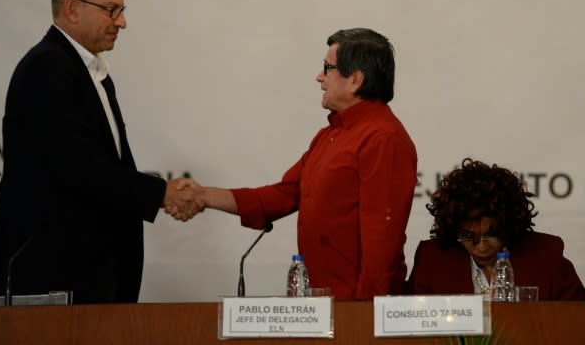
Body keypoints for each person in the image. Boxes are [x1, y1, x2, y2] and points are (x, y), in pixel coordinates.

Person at [0, 0, 203, 304]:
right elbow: (78, 168)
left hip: (89, 281)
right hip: (54, 284)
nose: (122, 22)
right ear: (73, 9)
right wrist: (161, 192)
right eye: (111, 10)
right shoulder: (46, 68)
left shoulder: (90, 73)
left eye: (121, 10)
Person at [170, 28, 417, 300]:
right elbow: (282, 195)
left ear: (355, 79)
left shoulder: (383, 138)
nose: (319, 77)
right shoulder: (330, 136)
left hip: (357, 311)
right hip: (324, 306)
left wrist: (363, 319)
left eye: (328, 68)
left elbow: (381, 241)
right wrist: (203, 196)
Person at [406, 158, 585, 300]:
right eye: (469, 236)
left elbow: (580, 322)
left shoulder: (546, 255)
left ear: (510, 226)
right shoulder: (432, 259)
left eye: (492, 235)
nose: (482, 247)